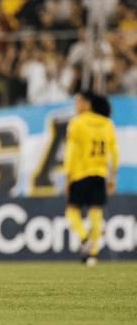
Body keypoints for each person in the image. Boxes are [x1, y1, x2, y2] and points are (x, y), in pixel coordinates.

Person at [63, 91, 118, 266]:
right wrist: (112, 176)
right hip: (99, 175)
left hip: (80, 173)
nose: (76, 106)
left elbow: (70, 152)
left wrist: (67, 177)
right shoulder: (107, 123)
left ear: (87, 103)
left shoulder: (77, 123)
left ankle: (84, 238)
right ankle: (92, 254)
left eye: (78, 101)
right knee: (95, 213)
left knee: (71, 211)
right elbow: (114, 152)